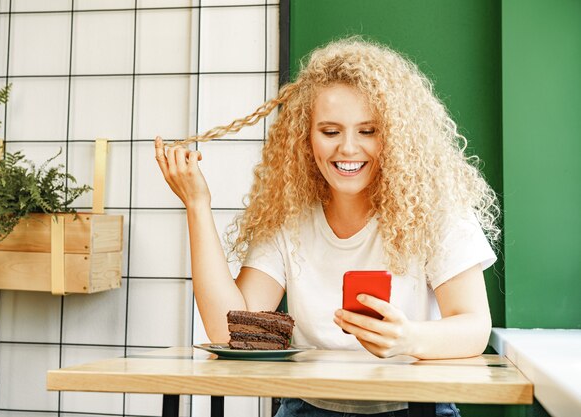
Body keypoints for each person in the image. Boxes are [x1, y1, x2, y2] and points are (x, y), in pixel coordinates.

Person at [154, 37, 500, 417]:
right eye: (331, 132)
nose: (348, 148)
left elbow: (474, 327)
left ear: (397, 137)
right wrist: (197, 204)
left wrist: (409, 338)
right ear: (306, 138)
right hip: (306, 407)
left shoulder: (436, 210)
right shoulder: (287, 217)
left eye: (368, 131)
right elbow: (228, 333)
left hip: (416, 406)